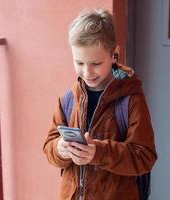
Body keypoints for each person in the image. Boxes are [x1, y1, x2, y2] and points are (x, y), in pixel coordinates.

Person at [43, 8, 157, 200]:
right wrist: (60, 149)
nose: (87, 72)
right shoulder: (68, 99)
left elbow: (145, 157)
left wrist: (98, 152)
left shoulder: (131, 99)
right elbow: (49, 146)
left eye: (96, 63)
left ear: (114, 55)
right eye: (79, 63)